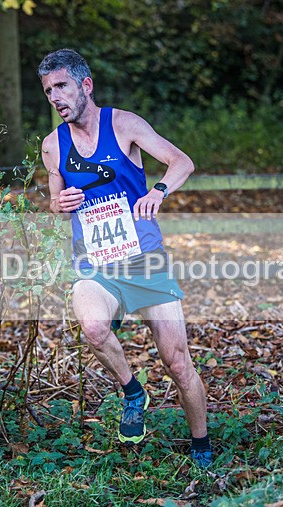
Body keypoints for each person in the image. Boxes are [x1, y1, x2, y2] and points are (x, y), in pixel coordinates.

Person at [38, 49, 213, 468]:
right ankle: (133, 391)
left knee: (176, 362)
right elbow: (54, 204)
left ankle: (201, 444)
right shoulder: (52, 145)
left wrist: (158, 191)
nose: (55, 97)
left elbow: (181, 162)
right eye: (48, 91)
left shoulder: (124, 125)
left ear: (86, 85)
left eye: (62, 86)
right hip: (95, 264)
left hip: (143, 259)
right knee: (94, 328)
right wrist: (59, 204)